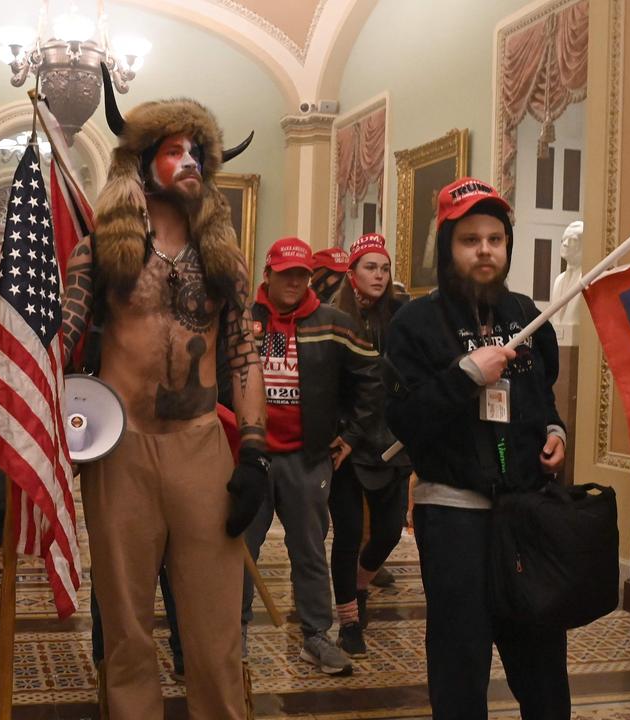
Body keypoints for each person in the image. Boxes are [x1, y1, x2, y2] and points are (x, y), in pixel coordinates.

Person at [55, 75, 267, 718]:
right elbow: (59, 342)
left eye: (198, 151)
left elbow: (244, 352)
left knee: (215, 633)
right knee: (125, 632)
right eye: (175, 150)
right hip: (120, 451)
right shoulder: (101, 252)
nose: (191, 161)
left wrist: (253, 453)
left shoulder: (223, 258)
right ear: (144, 165)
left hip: (202, 447)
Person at [385, 177, 568, 719]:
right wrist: (466, 375)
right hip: (454, 516)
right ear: (448, 248)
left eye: (495, 238)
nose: (485, 250)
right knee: (460, 660)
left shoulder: (526, 316)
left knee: (541, 657)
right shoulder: (413, 324)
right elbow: (405, 421)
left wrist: (555, 433)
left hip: (526, 516)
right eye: (470, 240)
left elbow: (542, 399)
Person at [242, 236, 380, 676]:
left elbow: (373, 381)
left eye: (301, 274)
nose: (294, 282)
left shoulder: (334, 324)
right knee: (241, 550)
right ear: (269, 275)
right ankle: (235, 635)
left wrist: (353, 436)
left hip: (307, 458)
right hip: (251, 458)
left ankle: (316, 637)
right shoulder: (243, 322)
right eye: (286, 274)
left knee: (309, 550)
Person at [329, 232, 411, 658]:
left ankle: (360, 586)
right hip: (346, 443)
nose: (379, 276)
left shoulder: (400, 317)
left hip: (393, 443)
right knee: (345, 535)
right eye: (370, 267)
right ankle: (348, 619)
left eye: (384, 268)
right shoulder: (334, 317)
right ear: (352, 273)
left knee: (389, 532)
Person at [550, 220, 584, 331]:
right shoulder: (558, 280)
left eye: (572, 240)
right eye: (564, 239)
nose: (565, 243)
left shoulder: (587, 278)